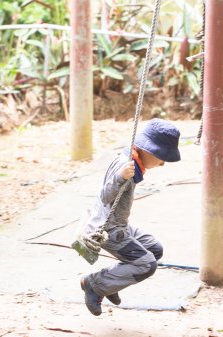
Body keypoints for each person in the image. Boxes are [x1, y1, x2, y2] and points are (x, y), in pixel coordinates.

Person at [79, 118, 181, 316]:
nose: (162, 164)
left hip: (121, 224)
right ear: (150, 151)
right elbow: (105, 195)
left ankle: (111, 283)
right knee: (147, 264)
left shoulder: (134, 160)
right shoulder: (125, 165)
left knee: (154, 249)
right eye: (162, 158)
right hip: (107, 229)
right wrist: (120, 177)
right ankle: (94, 284)